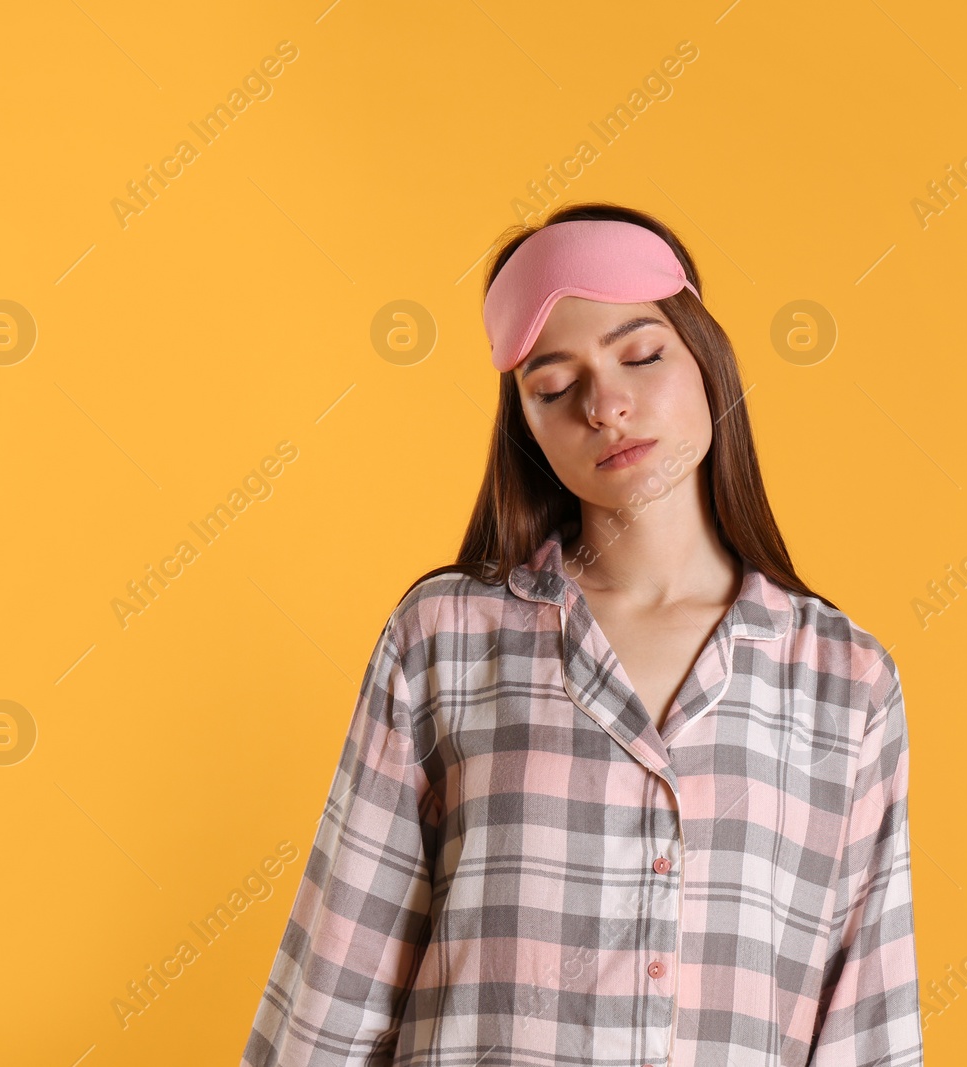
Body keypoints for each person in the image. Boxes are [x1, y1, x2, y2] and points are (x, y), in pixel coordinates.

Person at [240, 203, 923, 1066]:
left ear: (707, 361)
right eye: (555, 387)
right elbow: (342, 962)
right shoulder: (446, 639)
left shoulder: (843, 679)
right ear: (524, 425)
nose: (606, 405)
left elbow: (868, 1017)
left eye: (641, 355)